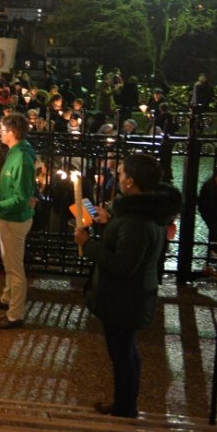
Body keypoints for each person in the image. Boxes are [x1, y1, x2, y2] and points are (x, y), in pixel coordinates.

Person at [75, 153, 182, 418]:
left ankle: (125, 408)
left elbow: (123, 265)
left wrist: (87, 244)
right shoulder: (145, 212)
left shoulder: (136, 219)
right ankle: (124, 401)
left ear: (131, 181)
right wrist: (109, 222)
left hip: (124, 297)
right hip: (132, 294)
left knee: (123, 353)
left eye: (122, 173)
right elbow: (132, 245)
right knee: (126, 350)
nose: (119, 177)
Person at [0, 112, 35, 329]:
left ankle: (15, 315)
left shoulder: (21, 157)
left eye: (2, 130)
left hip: (14, 220)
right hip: (8, 219)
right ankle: (6, 299)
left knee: (15, 269)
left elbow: (21, 199)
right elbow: (30, 187)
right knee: (9, 264)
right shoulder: (18, 152)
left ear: (12, 133)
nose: (0, 133)